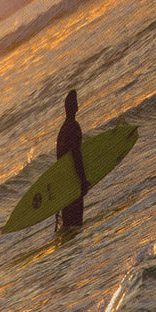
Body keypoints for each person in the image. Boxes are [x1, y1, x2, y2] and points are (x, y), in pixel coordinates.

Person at [55, 90, 90, 230]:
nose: (77, 105)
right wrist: (82, 180)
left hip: (65, 185)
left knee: (68, 227)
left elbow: (60, 160)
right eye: (75, 103)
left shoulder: (62, 130)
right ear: (73, 107)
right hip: (73, 183)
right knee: (76, 225)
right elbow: (76, 155)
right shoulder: (73, 126)